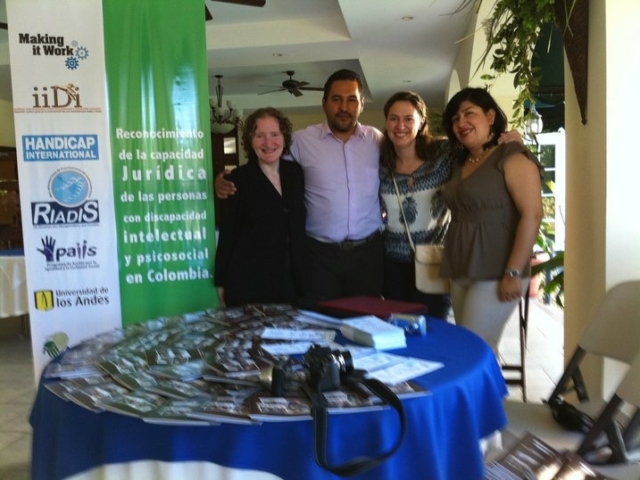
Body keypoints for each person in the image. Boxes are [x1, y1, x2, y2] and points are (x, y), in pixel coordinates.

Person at [216, 69, 384, 304]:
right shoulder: (301, 142)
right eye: (336, 99)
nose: (344, 107)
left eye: (351, 99)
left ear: (362, 104)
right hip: (318, 257)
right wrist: (224, 180)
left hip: (367, 255)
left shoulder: (376, 140)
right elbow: (265, 165)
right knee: (320, 323)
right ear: (324, 103)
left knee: (368, 323)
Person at [440, 87, 543, 354]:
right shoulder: (458, 162)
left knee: (472, 349)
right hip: (462, 263)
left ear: (490, 116)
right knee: (477, 349)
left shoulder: (511, 155)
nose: (461, 122)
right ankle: (490, 397)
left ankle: (486, 396)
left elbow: (532, 214)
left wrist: (513, 272)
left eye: (468, 113)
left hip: (498, 269)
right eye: (455, 118)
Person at [214, 107, 307, 307]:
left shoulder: (296, 173)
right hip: (250, 283)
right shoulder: (236, 179)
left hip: (294, 282)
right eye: (260, 136)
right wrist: (221, 282)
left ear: (284, 137)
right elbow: (227, 233)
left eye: (274, 134)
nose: (268, 143)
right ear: (250, 140)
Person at [378, 91, 453, 319]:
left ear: (421, 122)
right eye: (393, 118)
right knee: (398, 329)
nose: (400, 125)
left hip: (433, 262)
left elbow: (481, 150)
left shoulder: (443, 154)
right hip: (393, 264)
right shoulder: (380, 162)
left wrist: (510, 140)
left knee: (434, 327)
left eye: (408, 118)